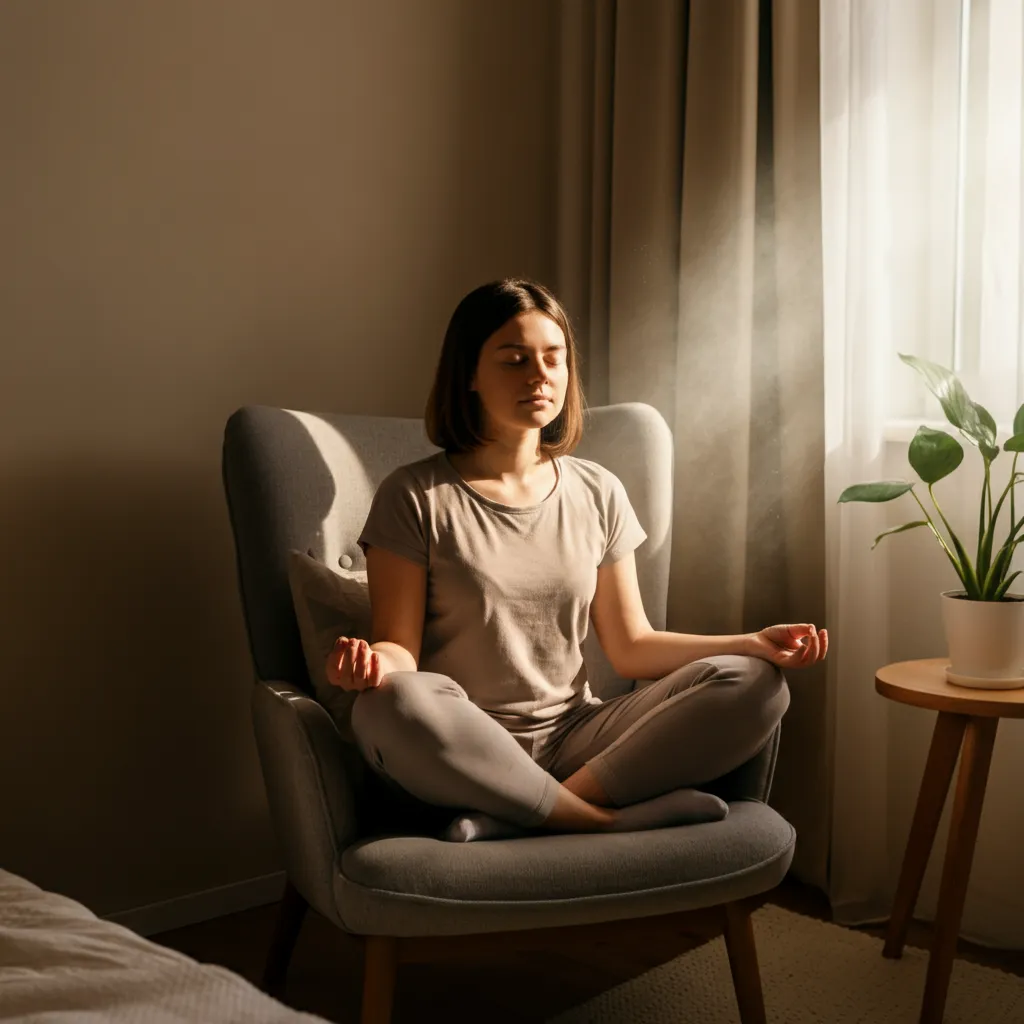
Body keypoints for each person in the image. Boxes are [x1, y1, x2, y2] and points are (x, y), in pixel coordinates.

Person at [326, 278, 828, 842]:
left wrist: (750, 643)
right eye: (515, 360)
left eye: (553, 359)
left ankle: (523, 812)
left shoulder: (598, 491)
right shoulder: (414, 495)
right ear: (468, 374)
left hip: (576, 737)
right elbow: (401, 650)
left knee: (758, 683)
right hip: (465, 742)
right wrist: (371, 665)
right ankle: (602, 821)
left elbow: (632, 646)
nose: (540, 376)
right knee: (389, 703)